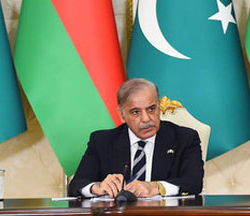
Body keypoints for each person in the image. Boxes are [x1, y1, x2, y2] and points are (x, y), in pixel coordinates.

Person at [68, 78, 204, 198]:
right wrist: (97, 187)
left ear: (159, 107)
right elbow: (77, 185)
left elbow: (193, 183)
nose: (146, 119)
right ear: (121, 115)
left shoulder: (184, 138)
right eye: (135, 112)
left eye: (151, 109)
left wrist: (156, 187)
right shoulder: (102, 141)